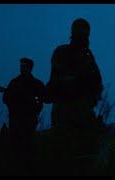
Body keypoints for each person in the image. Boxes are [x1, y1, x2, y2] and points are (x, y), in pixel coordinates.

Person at [46, 18, 103, 175]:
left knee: (82, 159)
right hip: (66, 114)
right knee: (65, 159)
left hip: (81, 114)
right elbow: (56, 82)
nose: (84, 38)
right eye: (82, 34)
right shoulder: (63, 52)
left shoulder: (88, 56)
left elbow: (97, 82)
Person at [3, 57, 48, 174]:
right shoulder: (14, 82)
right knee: (14, 146)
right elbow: (6, 98)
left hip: (29, 119)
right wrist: (14, 104)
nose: (22, 68)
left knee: (28, 146)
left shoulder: (36, 83)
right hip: (15, 119)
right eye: (21, 66)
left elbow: (45, 98)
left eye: (24, 66)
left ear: (30, 68)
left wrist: (35, 105)